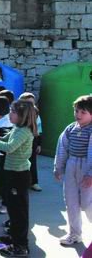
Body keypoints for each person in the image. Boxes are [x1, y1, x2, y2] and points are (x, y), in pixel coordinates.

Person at [0, 100, 37, 257]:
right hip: (11, 173)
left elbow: (9, 147)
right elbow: (6, 140)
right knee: (12, 207)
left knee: (19, 212)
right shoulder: (17, 128)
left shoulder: (24, 132)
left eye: (13, 112)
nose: (10, 114)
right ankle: (14, 237)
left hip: (19, 176)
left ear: (22, 116)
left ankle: (21, 245)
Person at [54, 95, 92, 246]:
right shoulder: (70, 128)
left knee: (88, 203)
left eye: (83, 112)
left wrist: (90, 174)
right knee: (71, 202)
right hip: (72, 165)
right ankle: (75, 234)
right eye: (76, 111)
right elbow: (62, 148)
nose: (78, 115)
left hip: (87, 168)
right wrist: (59, 167)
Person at [19, 92, 43, 192]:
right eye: (28, 103)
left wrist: (39, 144)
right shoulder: (17, 112)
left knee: (32, 161)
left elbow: (39, 130)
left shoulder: (36, 114)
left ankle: (34, 182)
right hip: (19, 140)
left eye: (32, 103)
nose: (31, 106)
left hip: (32, 141)